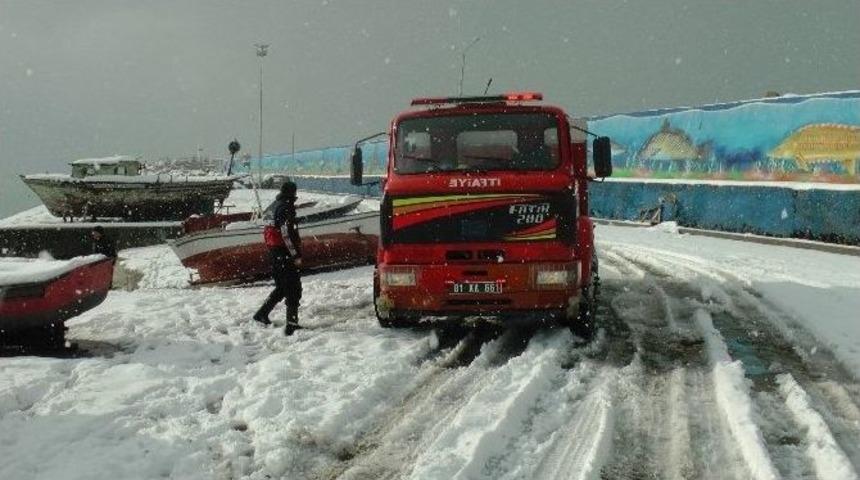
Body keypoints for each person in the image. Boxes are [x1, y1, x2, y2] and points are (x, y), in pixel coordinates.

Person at [254, 180, 303, 335]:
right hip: (284, 253)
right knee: (293, 288)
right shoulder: (286, 208)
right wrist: (295, 255)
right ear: (293, 192)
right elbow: (286, 234)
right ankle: (291, 324)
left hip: (274, 253)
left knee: (282, 287)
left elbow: (268, 231)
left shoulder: (274, 206)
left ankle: (261, 314)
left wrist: (273, 251)